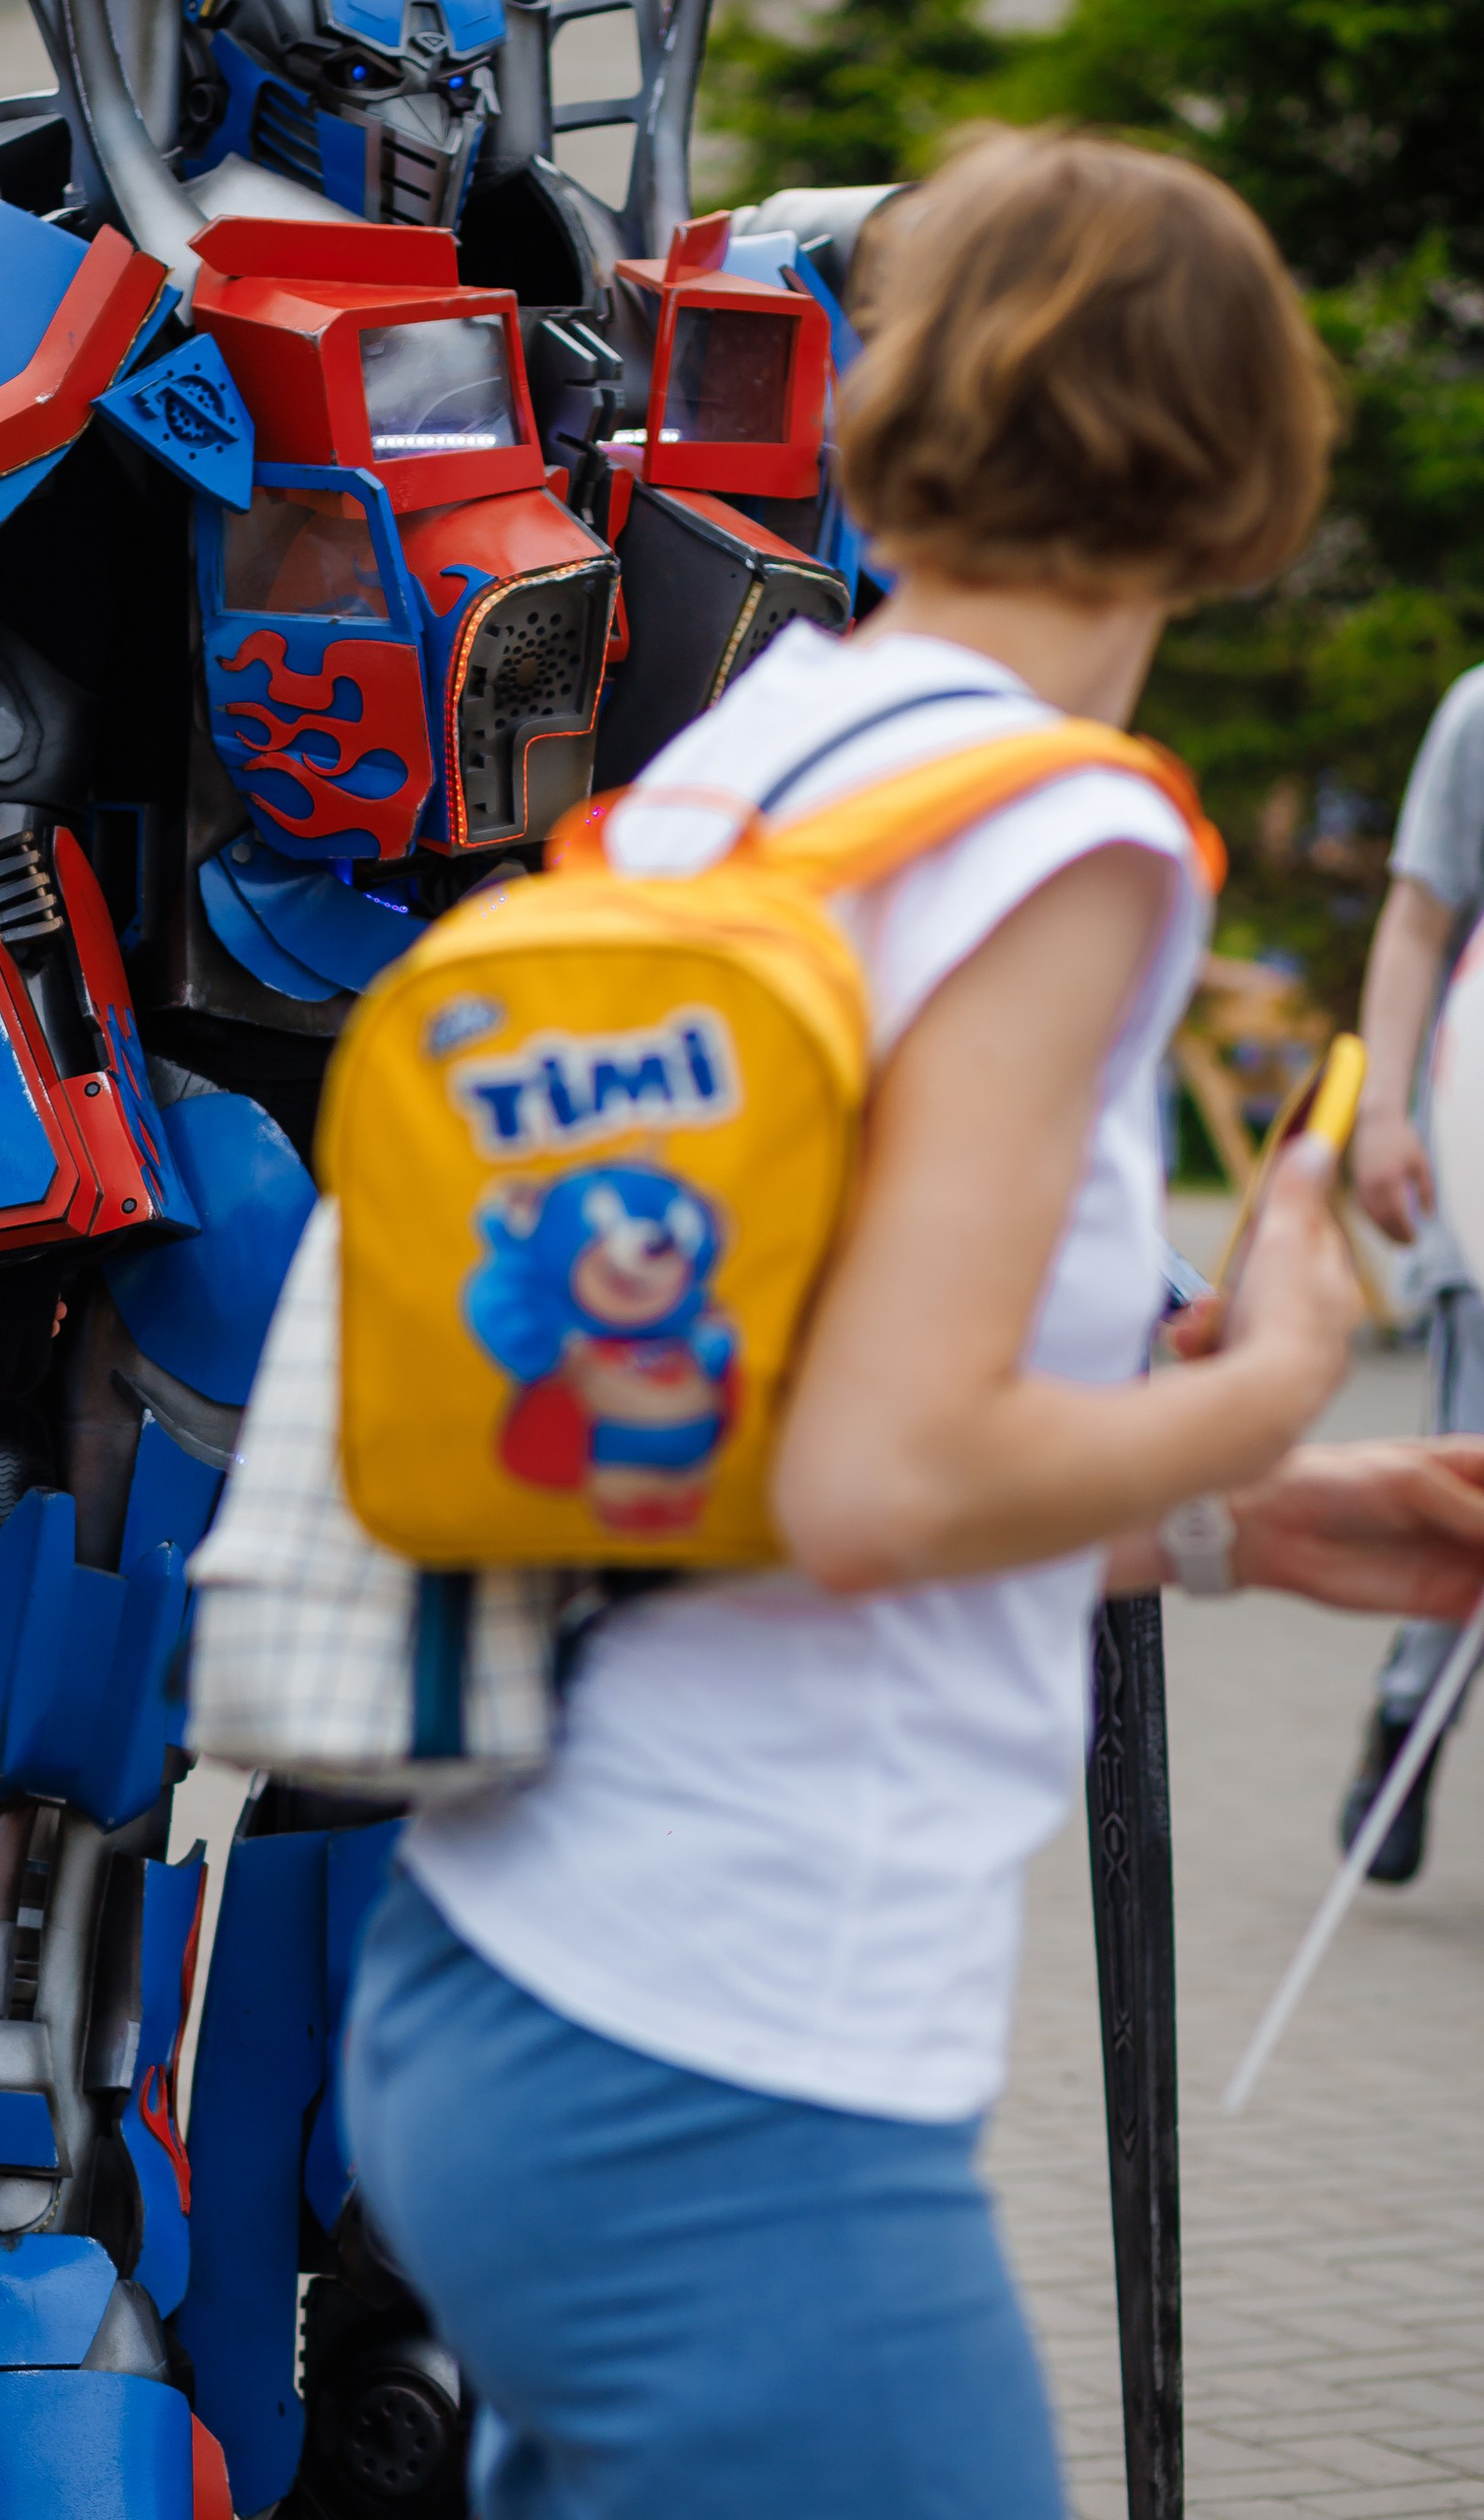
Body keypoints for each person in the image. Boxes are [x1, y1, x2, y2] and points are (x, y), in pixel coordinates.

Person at [340, 133, 1484, 2520]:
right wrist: (1275, 1369)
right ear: (1245, 453)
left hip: (504, 1974)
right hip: (731, 2063)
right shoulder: (1053, 829)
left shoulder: (739, 786)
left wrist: (1236, 1525)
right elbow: (876, 1476)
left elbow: (736, 1444)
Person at [1336, 675, 1484, 1880]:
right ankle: (1408, 1716)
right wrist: (1380, 1108)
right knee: (1473, 1485)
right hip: (1479, 1185)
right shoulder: (1480, 713)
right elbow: (1419, 919)